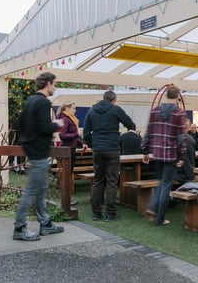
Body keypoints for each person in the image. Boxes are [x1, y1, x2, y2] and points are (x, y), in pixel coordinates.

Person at [13, 72, 65, 241]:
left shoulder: (29, 101)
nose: (55, 87)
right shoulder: (43, 102)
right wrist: (57, 124)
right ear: (48, 84)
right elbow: (44, 127)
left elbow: (19, 125)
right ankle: (20, 228)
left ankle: (45, 223)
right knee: (31, 191)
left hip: (32, 150)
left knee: (41, 189)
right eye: (54, 84)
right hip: (39, 152)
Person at [83, 90, 135, 221]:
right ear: (114, 100)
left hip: (98, 149)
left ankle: (96, 212)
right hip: (112, 148)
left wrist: (93, 144)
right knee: (111, 181)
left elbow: (86, 133)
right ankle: (110, 213)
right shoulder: (115, 109)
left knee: (98, 180)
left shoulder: (91, 111)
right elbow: (129, 123)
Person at [141, 85, 187, 226]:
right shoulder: (179, 113)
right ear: (178, 96)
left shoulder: (155, 111)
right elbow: (181, 137)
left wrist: (145, 151)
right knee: (166, 185)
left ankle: (152, 208)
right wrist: (181, 156)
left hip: (157, 152)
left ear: (166, 95)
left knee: (161, 182)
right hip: (171, 153)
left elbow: (148, 132)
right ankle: (159, 218)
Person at [56, 102, 87, 176]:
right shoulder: (65, 119)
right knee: (68, 172)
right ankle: (66, 187)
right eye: (73, 108)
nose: (75, 110)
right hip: (67, 149)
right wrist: (77, 134)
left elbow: (75, 136)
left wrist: (82, 143)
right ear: (67, 109)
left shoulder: (72, 119)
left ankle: (68, 186)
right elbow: (62, 136)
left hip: (72, 148)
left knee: (70, 171)